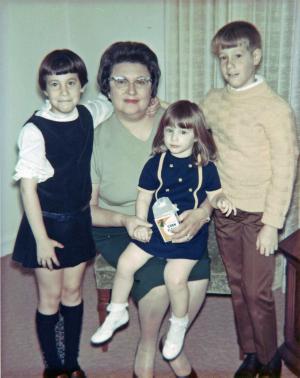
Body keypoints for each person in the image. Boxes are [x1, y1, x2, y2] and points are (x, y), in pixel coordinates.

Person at [90, 42, 214, 378]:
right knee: (159, 282)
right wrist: (125, 220)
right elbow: (88, 209)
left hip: (178, 221)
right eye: (120, 80)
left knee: (196, 276)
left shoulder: (173, 122)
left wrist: (203, 213)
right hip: (118, 225)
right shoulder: (95, 138)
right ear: (106, 86)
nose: (131, 89)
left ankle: (173, 340)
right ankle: (148, 347)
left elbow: (211, 167)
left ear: (152, 87)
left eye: (141, 81)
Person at [91, 100, 236, 361]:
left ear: (196, 136)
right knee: (126, 262)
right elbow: (144, 197)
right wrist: (139, 223)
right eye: (169, 131)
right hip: (157, 227)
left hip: (186, 233)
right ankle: (117, 310)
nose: (174, 138)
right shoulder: (154, 163)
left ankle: (178, 324)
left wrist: (220, 201)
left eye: (183, 132)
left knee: (174, 278)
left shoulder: (206, 168)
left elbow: (214, 196)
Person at [201, 21, 299, 378]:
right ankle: (251, 352)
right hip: (226, 210)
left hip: (260, 215)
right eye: (223, 58)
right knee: (238, 286)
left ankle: (270, 356)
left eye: (237, 56)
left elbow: (285, 170)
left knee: (258, 291)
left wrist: (273, 224)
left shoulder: (275, 109)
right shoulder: (214, 100)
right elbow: (193, 126)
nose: (229, 65)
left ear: (255, 57)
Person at [12, 49, 113, 378]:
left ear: (82, 86)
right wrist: (41, 240)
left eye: (71, 83)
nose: (64, 91)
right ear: (44, 89)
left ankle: (71, 362)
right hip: (48, 225)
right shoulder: (34, 131)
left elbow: (109, 104)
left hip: (78, 221)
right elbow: (28, 189)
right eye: (55, 85)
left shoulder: (87, 114)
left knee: (73, 292)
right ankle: (54, 368)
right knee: (51, 296)